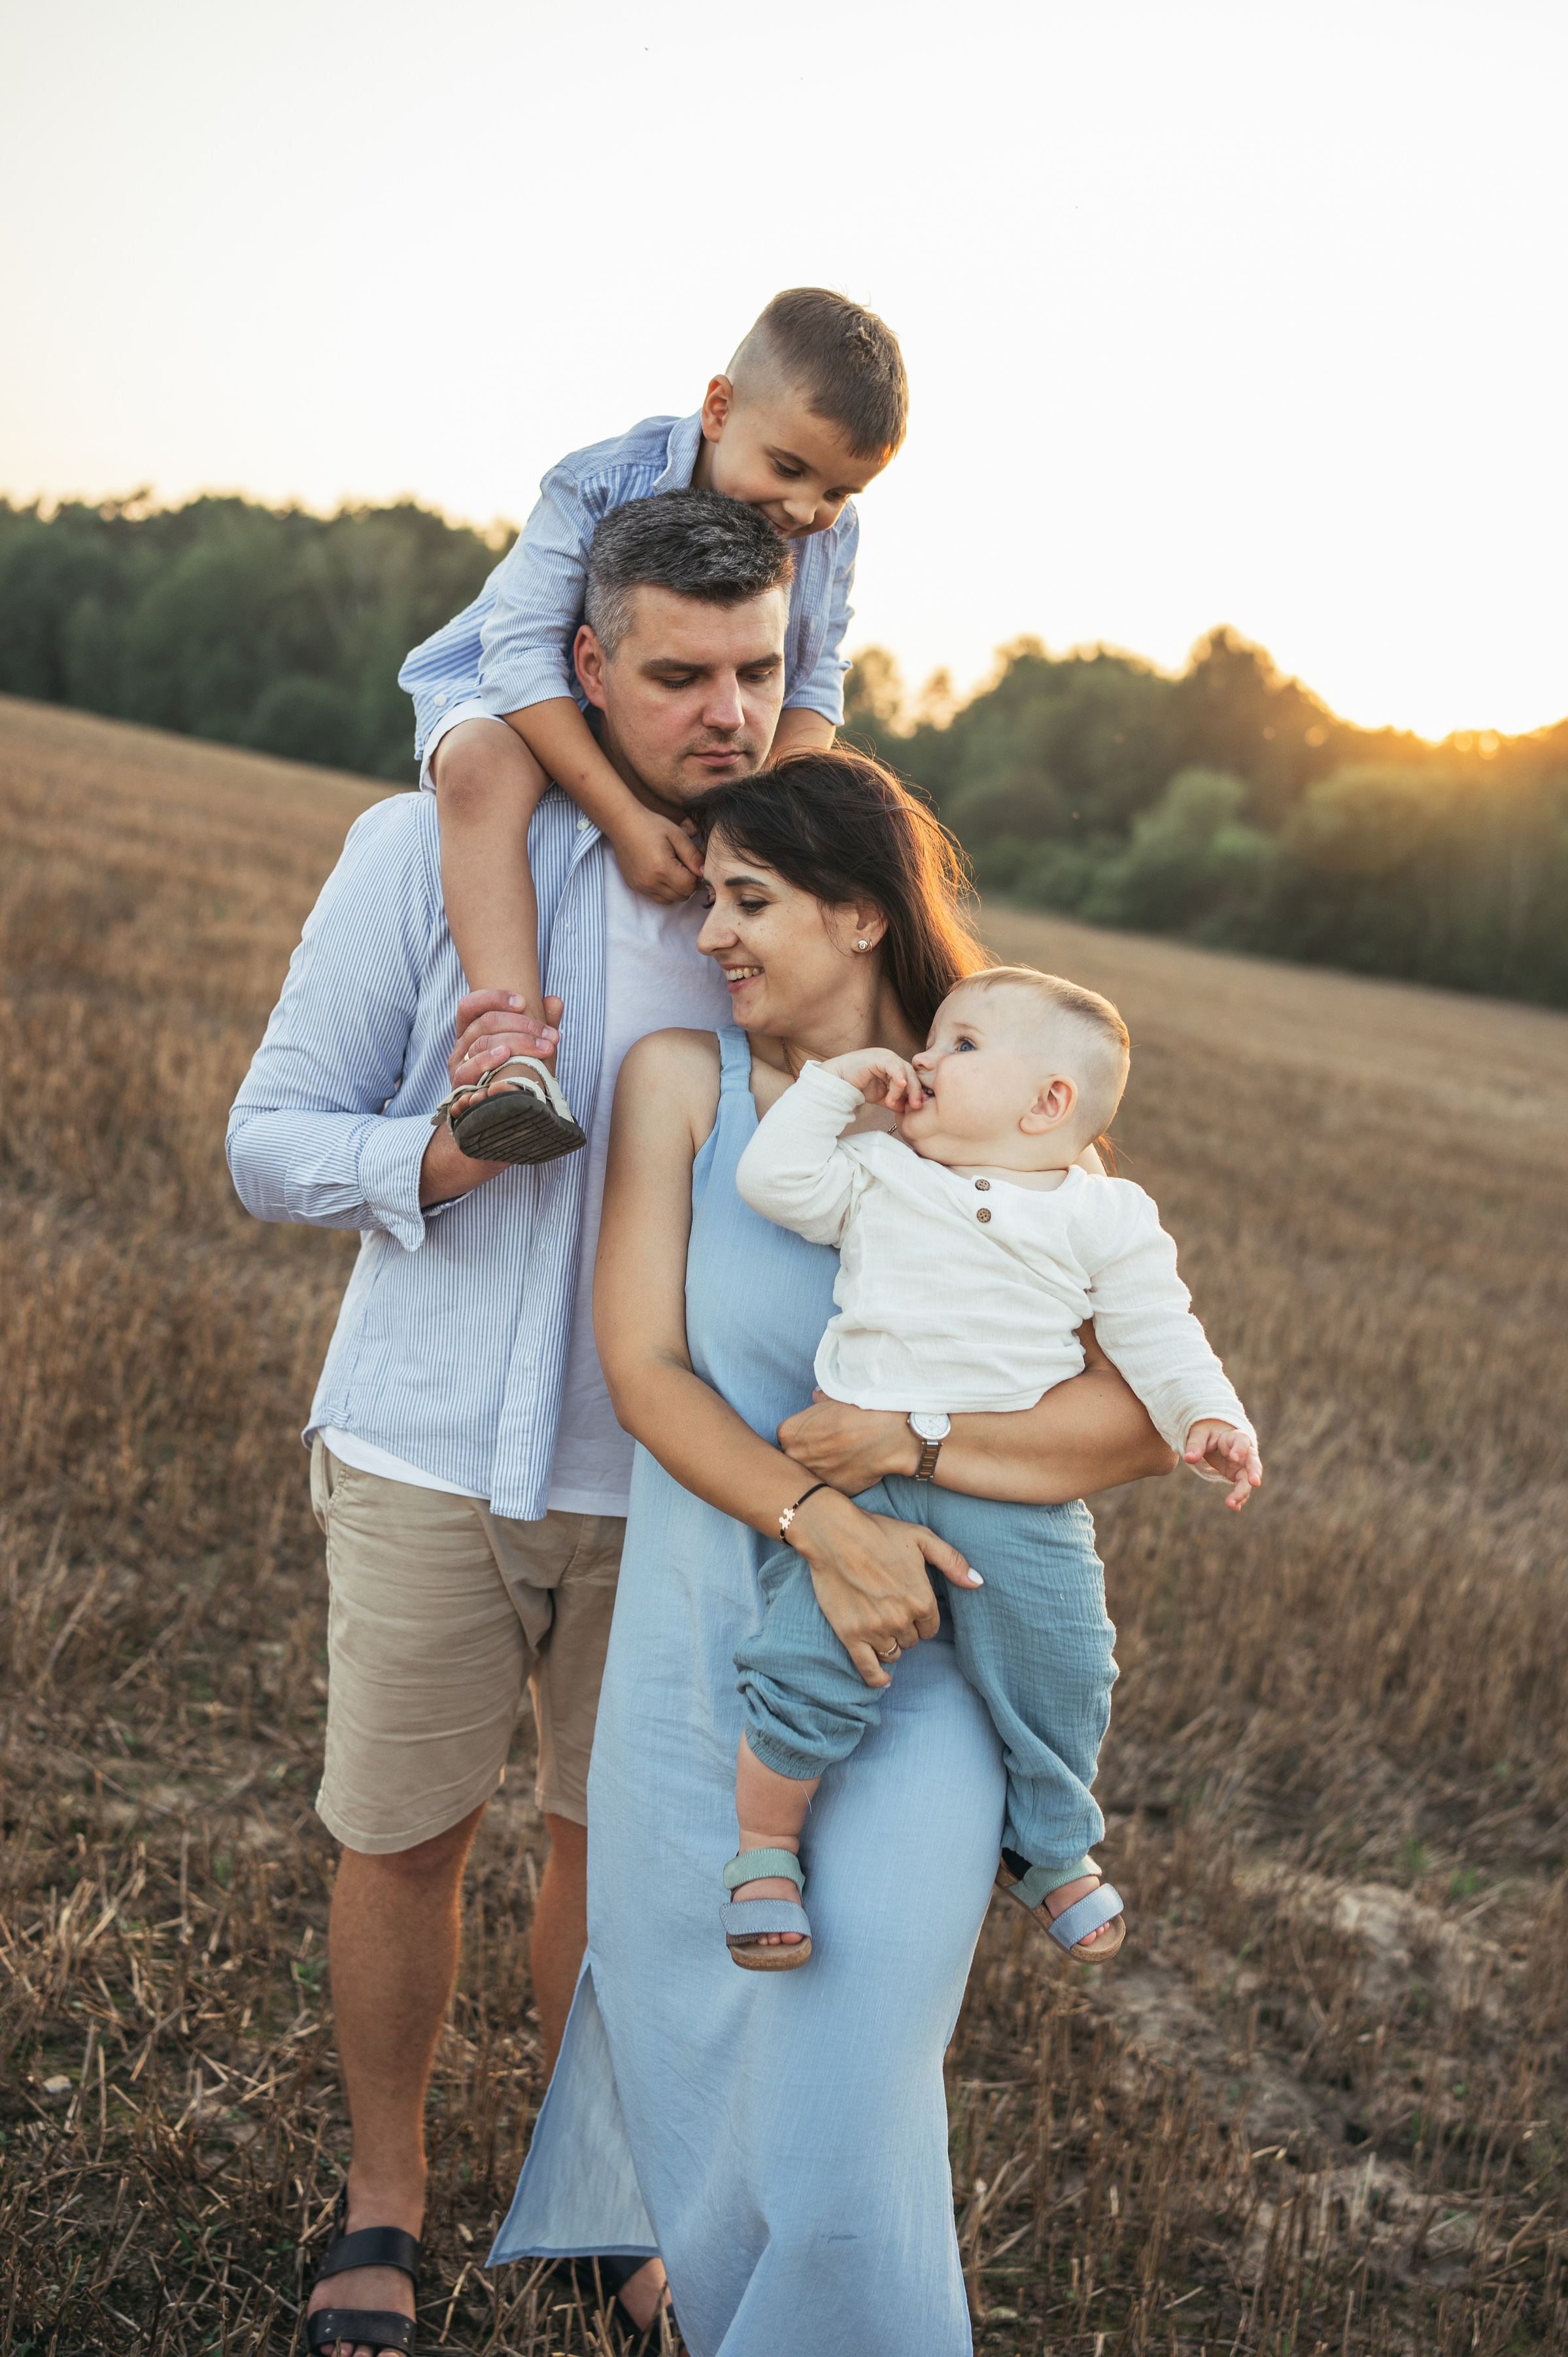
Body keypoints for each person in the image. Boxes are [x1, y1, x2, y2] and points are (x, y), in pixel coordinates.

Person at [487, 751, 1179, 2357]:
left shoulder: (1001, 1117)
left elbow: (1136, 1417)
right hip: (697, 1637)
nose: (710, 934)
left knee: (850, 2077)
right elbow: (646, 1371)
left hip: (927, 1658)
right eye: (706, 899)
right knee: (699, 2042)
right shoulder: (679, 1079)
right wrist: (819, 1525)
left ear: (859, 913)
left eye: (749, 900)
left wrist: (913, 1459)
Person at [225, 492, 800, 2357]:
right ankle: (381, 2196)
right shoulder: (423, 848)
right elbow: (268, 1143)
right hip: (425, 1452)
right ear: (585, 665)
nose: (728, 712)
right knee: (402, 1839)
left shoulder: (786, 889)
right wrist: (448, 1154)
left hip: (675, 1483)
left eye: (761, 671)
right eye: (682, 674)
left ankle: (605, 2200)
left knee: (616, 1865)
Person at [724, 966, 1261, 1972]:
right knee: (808, 1657)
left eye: (960, 1046)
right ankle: (763, 1851)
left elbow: (1158, 1331)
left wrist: (1209, 1416)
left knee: (1067, 1661)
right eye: (929, 1042)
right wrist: (839, 1086)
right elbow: (774, 1182)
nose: (924, 1060)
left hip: (1017, 1494)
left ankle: (1050, 1846)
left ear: (1048, 1103)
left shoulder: (1106, 1216)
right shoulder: (883, 1172)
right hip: (865, 1485)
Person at [397, 288, 907, 1163]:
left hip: (653, 726)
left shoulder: (833, 532)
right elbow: (522, 658)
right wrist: (627, 822)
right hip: (514, 689)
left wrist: (756, 811)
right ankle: (513, 1055)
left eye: (838, 491)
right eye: (788, 469)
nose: (806, 512)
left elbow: (816, 677)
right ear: (718, 409)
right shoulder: (598, 478)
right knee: (480, 766)